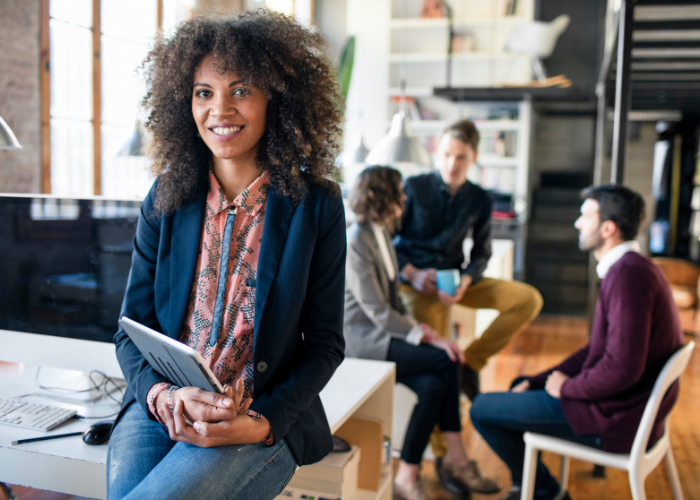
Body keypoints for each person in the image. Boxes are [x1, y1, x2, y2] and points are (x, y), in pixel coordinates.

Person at [107, 13, 346, 500]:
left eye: (241, 90)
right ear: (184, 102)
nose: (220, 109)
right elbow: (130, 329)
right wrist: (163, 395)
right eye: (203, 92)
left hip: (258, 416)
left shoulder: (316, 204)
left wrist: (261, 422)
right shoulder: (165, 198)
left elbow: (324, 344)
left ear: (274, 99)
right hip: (167, 404)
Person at [470, 185, 685, 500]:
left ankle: (545, 492)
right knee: (522, 383)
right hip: (623, 408)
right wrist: (539, 380)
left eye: (586, 216)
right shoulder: (633, 269)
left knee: (480, 409)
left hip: (616, 419)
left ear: (608, 228)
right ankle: (528, 486)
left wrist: (566, 389)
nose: (577, 224)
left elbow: (623, 369)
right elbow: (596, 351)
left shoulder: (628, 278)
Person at [344, 166, 500, 500]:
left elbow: (393, 300)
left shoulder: (382, 234)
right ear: (377, 196)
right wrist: (427, 336)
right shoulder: (357, 239)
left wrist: (421, 329)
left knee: (434, 386)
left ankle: (407, 475)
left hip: (385, 336)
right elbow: (377, 311)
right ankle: (457, 458)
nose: (403, 197)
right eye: (397, 191)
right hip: (364, 342)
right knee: (448, 360)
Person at [395, 120, 543, 402]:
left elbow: (482, 253)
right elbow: (388, 240)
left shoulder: (480, 198)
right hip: (416, 284)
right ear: (438, 152)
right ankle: (440, 446)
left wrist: (466, 280)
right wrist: (411, 272)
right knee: (438, 360)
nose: (452, 164)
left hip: (455, 279)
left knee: (527, 300)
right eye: (447, 155)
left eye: (461, 157)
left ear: (474, 156)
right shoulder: (414, 187)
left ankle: (471, 363)